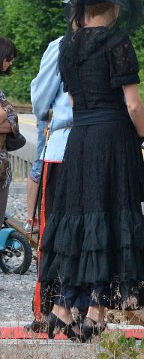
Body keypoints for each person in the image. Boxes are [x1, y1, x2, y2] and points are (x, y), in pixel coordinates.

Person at [39, 0, 144, 342]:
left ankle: (63, 309)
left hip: (81, 137)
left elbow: (73, 100)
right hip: (113, 139)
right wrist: (142, 133)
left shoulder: (68, 45)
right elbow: (133, 104)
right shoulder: (116, 42)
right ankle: (94, 312)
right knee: (110, 216)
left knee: (79, 216)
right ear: (115, 6)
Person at [27, 35, 72, 333]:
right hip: (100, 152)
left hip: (62, 149)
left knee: (52, 232)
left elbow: (41, 100)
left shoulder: (61, 45)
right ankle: (86, 311)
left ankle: (48, 310)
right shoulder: (115, 42)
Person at [0, 37, 19, 223]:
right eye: (8, 58)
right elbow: (8, 118)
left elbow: (12, 124)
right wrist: (8, 111)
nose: (10, 63)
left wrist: (9, 116)